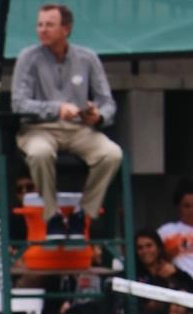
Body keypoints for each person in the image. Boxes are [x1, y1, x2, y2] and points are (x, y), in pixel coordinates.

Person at [11, 3, 122, 237]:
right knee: (40, 153)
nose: (42, 30)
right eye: (40, 24)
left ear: (66, 29)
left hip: (78, 130)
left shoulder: (88, 58)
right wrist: (56, 109)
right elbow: (18, 104)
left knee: (112, 154)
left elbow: (108, 103)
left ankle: (84, 213)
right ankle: (51, 215)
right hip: (38, 129)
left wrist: (98, 115)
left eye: (49, 25)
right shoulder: (27, 58)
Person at [134, 227, 193, 314]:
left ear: (158, 247)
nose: (145, 251)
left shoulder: (170, 269)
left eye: (149, 246)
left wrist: (176, 273)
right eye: (140, 248)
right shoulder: (133, 272)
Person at [157, 177, 193, 278]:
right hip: (181, 285)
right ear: (178, 207)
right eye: (186, 206)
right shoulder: (167, 231)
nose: (191, 210)